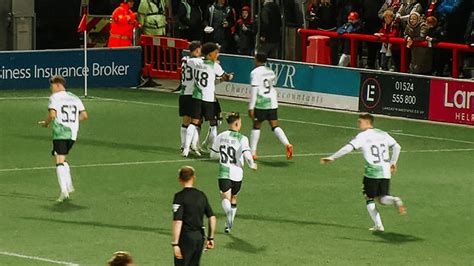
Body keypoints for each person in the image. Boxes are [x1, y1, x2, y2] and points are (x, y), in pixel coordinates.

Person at [320, 113, 406, 232]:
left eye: (360, 122)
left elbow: (348, 148)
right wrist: (393, 163)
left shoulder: (363, 136)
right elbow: (397, 147)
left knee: (369, 198)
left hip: (372, 171)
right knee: (382, 197)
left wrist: (333, 157)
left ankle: (378, 225)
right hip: (385, 170)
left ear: (367, 122)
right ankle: (394, 199)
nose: (358, 124)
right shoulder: (382, 133)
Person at [38, 75, 88, 202]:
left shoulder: (54, 98)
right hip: (73, 133)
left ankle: (64, 191)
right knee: (61, 156)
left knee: (59, 160)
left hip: (60, 132)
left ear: (58, 84)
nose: (51, 88)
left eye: (52, 85)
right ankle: (69, 185)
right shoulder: (75, 97)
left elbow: (52, 114)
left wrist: (46, 123)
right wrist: (73, 122)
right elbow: (84, 115)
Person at [182, 42, 234, 157]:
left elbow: (186, 60)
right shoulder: (215, 66)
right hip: (209, 99)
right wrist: (229, 76)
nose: (217, 55)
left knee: (194, 122)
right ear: (210, 54)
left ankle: (186, 149)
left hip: (196, 97)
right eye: (216, 53)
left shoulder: (195, 62)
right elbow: (224, 76)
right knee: (213, 123)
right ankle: (213, 151)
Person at [210, 112, 257, 233]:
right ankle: (228, 224)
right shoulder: (242, 138)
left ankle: (229, 215)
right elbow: (247, 154)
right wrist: (252, 164)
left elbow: (213, 155)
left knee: (225, 197)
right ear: (236, 123)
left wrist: (222, 155)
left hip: (224, 171)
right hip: (237, 174)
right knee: (234, 198)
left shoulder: (221, 136)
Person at [248, 53, 293, 160]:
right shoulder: (271, 71)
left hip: (261, 103)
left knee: (256, 125)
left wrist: (251, 107)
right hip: (272, 102)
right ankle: (287, 144)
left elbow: (255, 90)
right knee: (275, 126)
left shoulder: (254, 73)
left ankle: (253, 153)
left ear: (257, 60)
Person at [172, 166, 216, 266]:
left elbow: (178, 221)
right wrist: (210, 238)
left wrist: (175, 243)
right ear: (193, 178)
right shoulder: (201, 195)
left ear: (180, 179)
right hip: (199, 238)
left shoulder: (179, 197)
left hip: (185, 238)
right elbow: (212, 217)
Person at [179, 41, 202, 156]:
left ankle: (183, 145)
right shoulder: (197, 61)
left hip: (183, 93)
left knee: (185, 121)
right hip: (193, 94)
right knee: (196, 121)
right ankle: (193, 145)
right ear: (197, 50)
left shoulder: (185, 60)